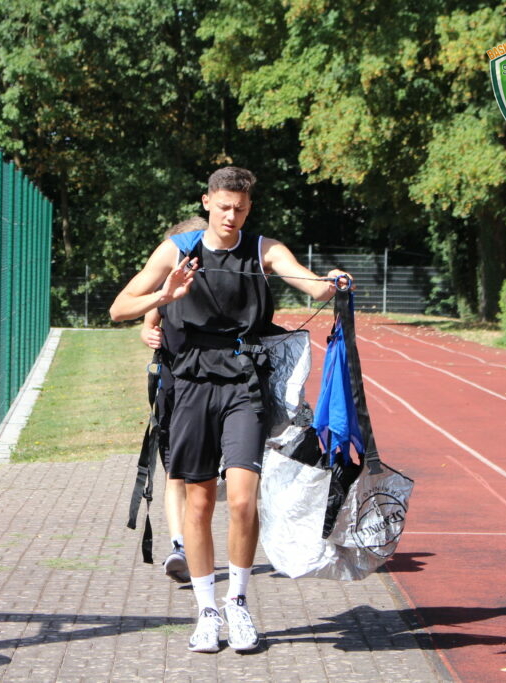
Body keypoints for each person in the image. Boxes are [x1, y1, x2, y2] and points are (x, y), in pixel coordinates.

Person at [110, 167, 349, 654]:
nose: (230, 216)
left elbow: (313, 286)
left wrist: (333, 282)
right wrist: (165, 296)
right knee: (198, 503)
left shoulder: (264, 249)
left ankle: (237, 603)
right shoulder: (177, 250)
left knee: (242, 499)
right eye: (223, 207)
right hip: (191, 384)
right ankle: (207, 612)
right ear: (207, 202)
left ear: (248, 208)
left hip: (244, 383)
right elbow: (119, 308)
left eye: (239, 208)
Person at [139, 216, 208, 585]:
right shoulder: (167, 283)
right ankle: (180, 546)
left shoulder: (220, 280)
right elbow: (148, 320)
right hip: (173, 382)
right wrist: (147, 333)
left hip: (216, 386)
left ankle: (199, 543)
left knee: (209, 477)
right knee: (175, 470)